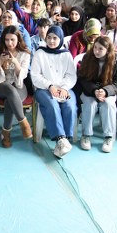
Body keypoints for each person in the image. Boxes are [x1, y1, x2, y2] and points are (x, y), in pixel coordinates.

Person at [30, 26, 77, 158]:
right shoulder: (40, 53)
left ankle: (65, 139)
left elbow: (71, 75)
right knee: (52, 105)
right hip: (43, 89)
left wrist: (64, 88)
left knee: (70, 106)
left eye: (55, 38)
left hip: (64, 88)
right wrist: (50, 86)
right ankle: (60, 139)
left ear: (60, 39)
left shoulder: (66, 54)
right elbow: (35, 76)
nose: (51, 41)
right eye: (49, 37)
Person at [76, 36, 117, 153]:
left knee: (108, 104)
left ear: (108, 50)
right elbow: (82, 78)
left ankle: (109, 137)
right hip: (90, 90)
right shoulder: (88, 57)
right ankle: (86, 135)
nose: (96, 51)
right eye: (95, 47)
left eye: (100, 49)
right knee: (90, 104)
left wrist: (105, 91)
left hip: (108, 91)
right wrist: (94, 91)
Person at [0, 26, 32, 148]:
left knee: (10, 99)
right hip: (1, 85)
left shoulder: (25, 53)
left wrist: (15, 62)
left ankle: (6, 133)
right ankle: (24, 123)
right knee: (10, 90)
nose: (9, 43)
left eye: (12, 40)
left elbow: (23, 75)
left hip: (18, 84)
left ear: (18, 40)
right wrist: (0, 62)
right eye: (7, 40)